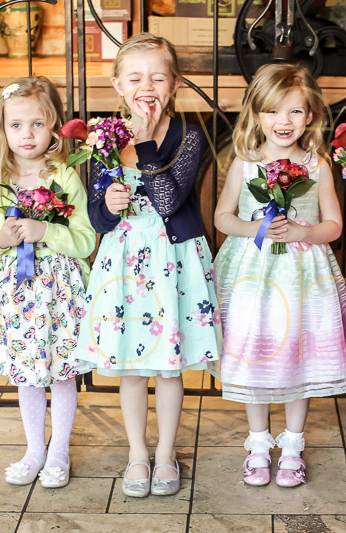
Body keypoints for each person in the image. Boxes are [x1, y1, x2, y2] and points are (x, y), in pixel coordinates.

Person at [74, 34, 220, 498]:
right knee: (133, 368)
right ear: (118, 84)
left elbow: (169, 199)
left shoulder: (188, 135)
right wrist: (110, 205)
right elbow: (95, 217)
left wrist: (143, 143)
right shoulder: (103, 140)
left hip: (172, 263)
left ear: (174, 83)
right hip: (123, 267)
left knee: (168, 369)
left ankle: (165, 454)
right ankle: (138, 452)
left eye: (158, 76)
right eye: (135, 77)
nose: (147, 85)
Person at [213, 62, 346, 488]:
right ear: (256, 115)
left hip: (301, 275)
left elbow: (334, 225)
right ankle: (258, 443)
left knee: (297, 351)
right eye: (273, 112)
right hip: (253, 277)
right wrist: (255, 227)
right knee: (255, 350)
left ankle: (292, 444)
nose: (283, 122)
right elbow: (222, 217)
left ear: (309, 116)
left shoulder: (316, 165)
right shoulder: (245, 161)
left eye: (294, 112)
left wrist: (302, 232)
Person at [0, 76, 97, 488]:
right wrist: (1, 238)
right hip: (16, 296)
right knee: (27, 374)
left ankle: (58, 451)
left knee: (61, 373)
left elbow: (85, 238)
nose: (27, 134)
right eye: (17, 125)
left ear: (55, 126)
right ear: (1, 129)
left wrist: (47, 233)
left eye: (38, 124)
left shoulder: (64, 177)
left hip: (59, 293)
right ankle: (34, 449)